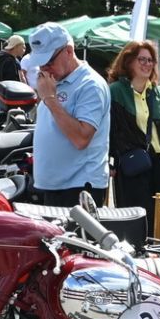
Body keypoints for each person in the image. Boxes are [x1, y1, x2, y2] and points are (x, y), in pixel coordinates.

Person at [26, 23, 109, 206]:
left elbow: (81, 139)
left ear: (69, 52)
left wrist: (50, 99)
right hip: (56, 186)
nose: (44, 69)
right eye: (40, 63)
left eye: (49, 62)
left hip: (78, 188)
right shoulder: (55, 80)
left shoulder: (90, 85)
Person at [107, 39, 160, 241]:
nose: (147, 64)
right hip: (133, 166)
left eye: (150, 60)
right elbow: (109, 131)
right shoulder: (115, 92)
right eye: (142, 59)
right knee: (136, 224)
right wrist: (111, 160)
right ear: (128, 61)